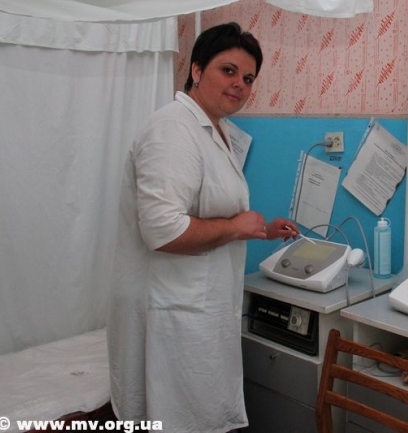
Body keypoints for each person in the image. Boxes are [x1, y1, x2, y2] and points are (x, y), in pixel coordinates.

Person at [106, 22, 300, 433]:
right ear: (196, 70)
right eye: (228, 70)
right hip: (172, 314)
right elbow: (163, 230)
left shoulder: (214, 128)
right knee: (177, 419)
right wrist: (235, 227)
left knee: (201, 414)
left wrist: (261, 229)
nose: (240, 84)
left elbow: (211, 209)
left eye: (248, 78)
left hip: (197, 310)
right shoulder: (173, 129)